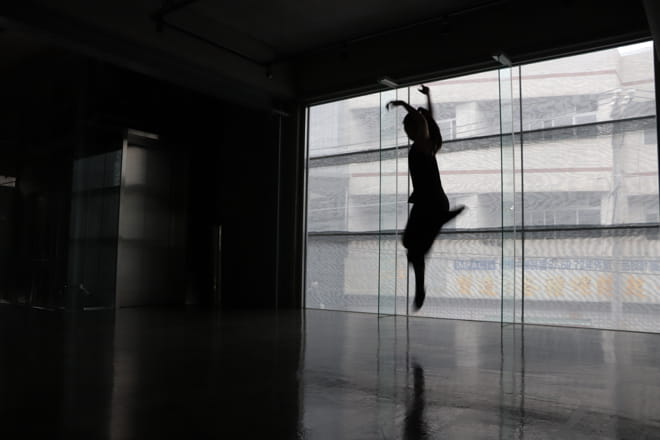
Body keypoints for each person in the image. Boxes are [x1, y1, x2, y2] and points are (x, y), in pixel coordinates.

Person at [387, 85, 464, 311]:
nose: (407, 133)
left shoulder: (422, 145)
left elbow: (423, 121)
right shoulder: (429, 145)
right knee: (412, 247)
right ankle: (420, 289)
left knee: (411, 245)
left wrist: (404, 105)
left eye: (406, 128)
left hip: (430, 204)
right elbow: (427, 121)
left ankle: (420, 289)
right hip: (433, 203)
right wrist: (426, 99)